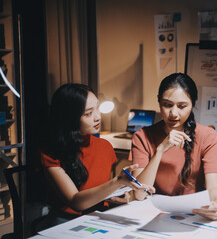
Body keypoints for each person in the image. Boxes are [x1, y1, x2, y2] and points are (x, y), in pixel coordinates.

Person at [40, 83, 154, 227]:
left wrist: (115, 196)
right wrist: (117, 181)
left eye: (97, 109)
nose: (98, 117)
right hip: (66, 222)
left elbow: (98, 191)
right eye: (88, 113)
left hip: (98, 217)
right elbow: (76, 202)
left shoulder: (104, 147)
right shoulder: (51, 153)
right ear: (70, 118)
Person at [131, 73, 217, 220]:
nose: (173, 113)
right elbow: (139, 194)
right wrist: (160, 150)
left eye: (182, 106)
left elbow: (213, 187)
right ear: (159, 102)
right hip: (155, 212)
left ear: (192, 104)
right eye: (167, 105)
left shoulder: (207, 136)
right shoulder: (142, 136)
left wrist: (216, 204)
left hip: (194, 213)